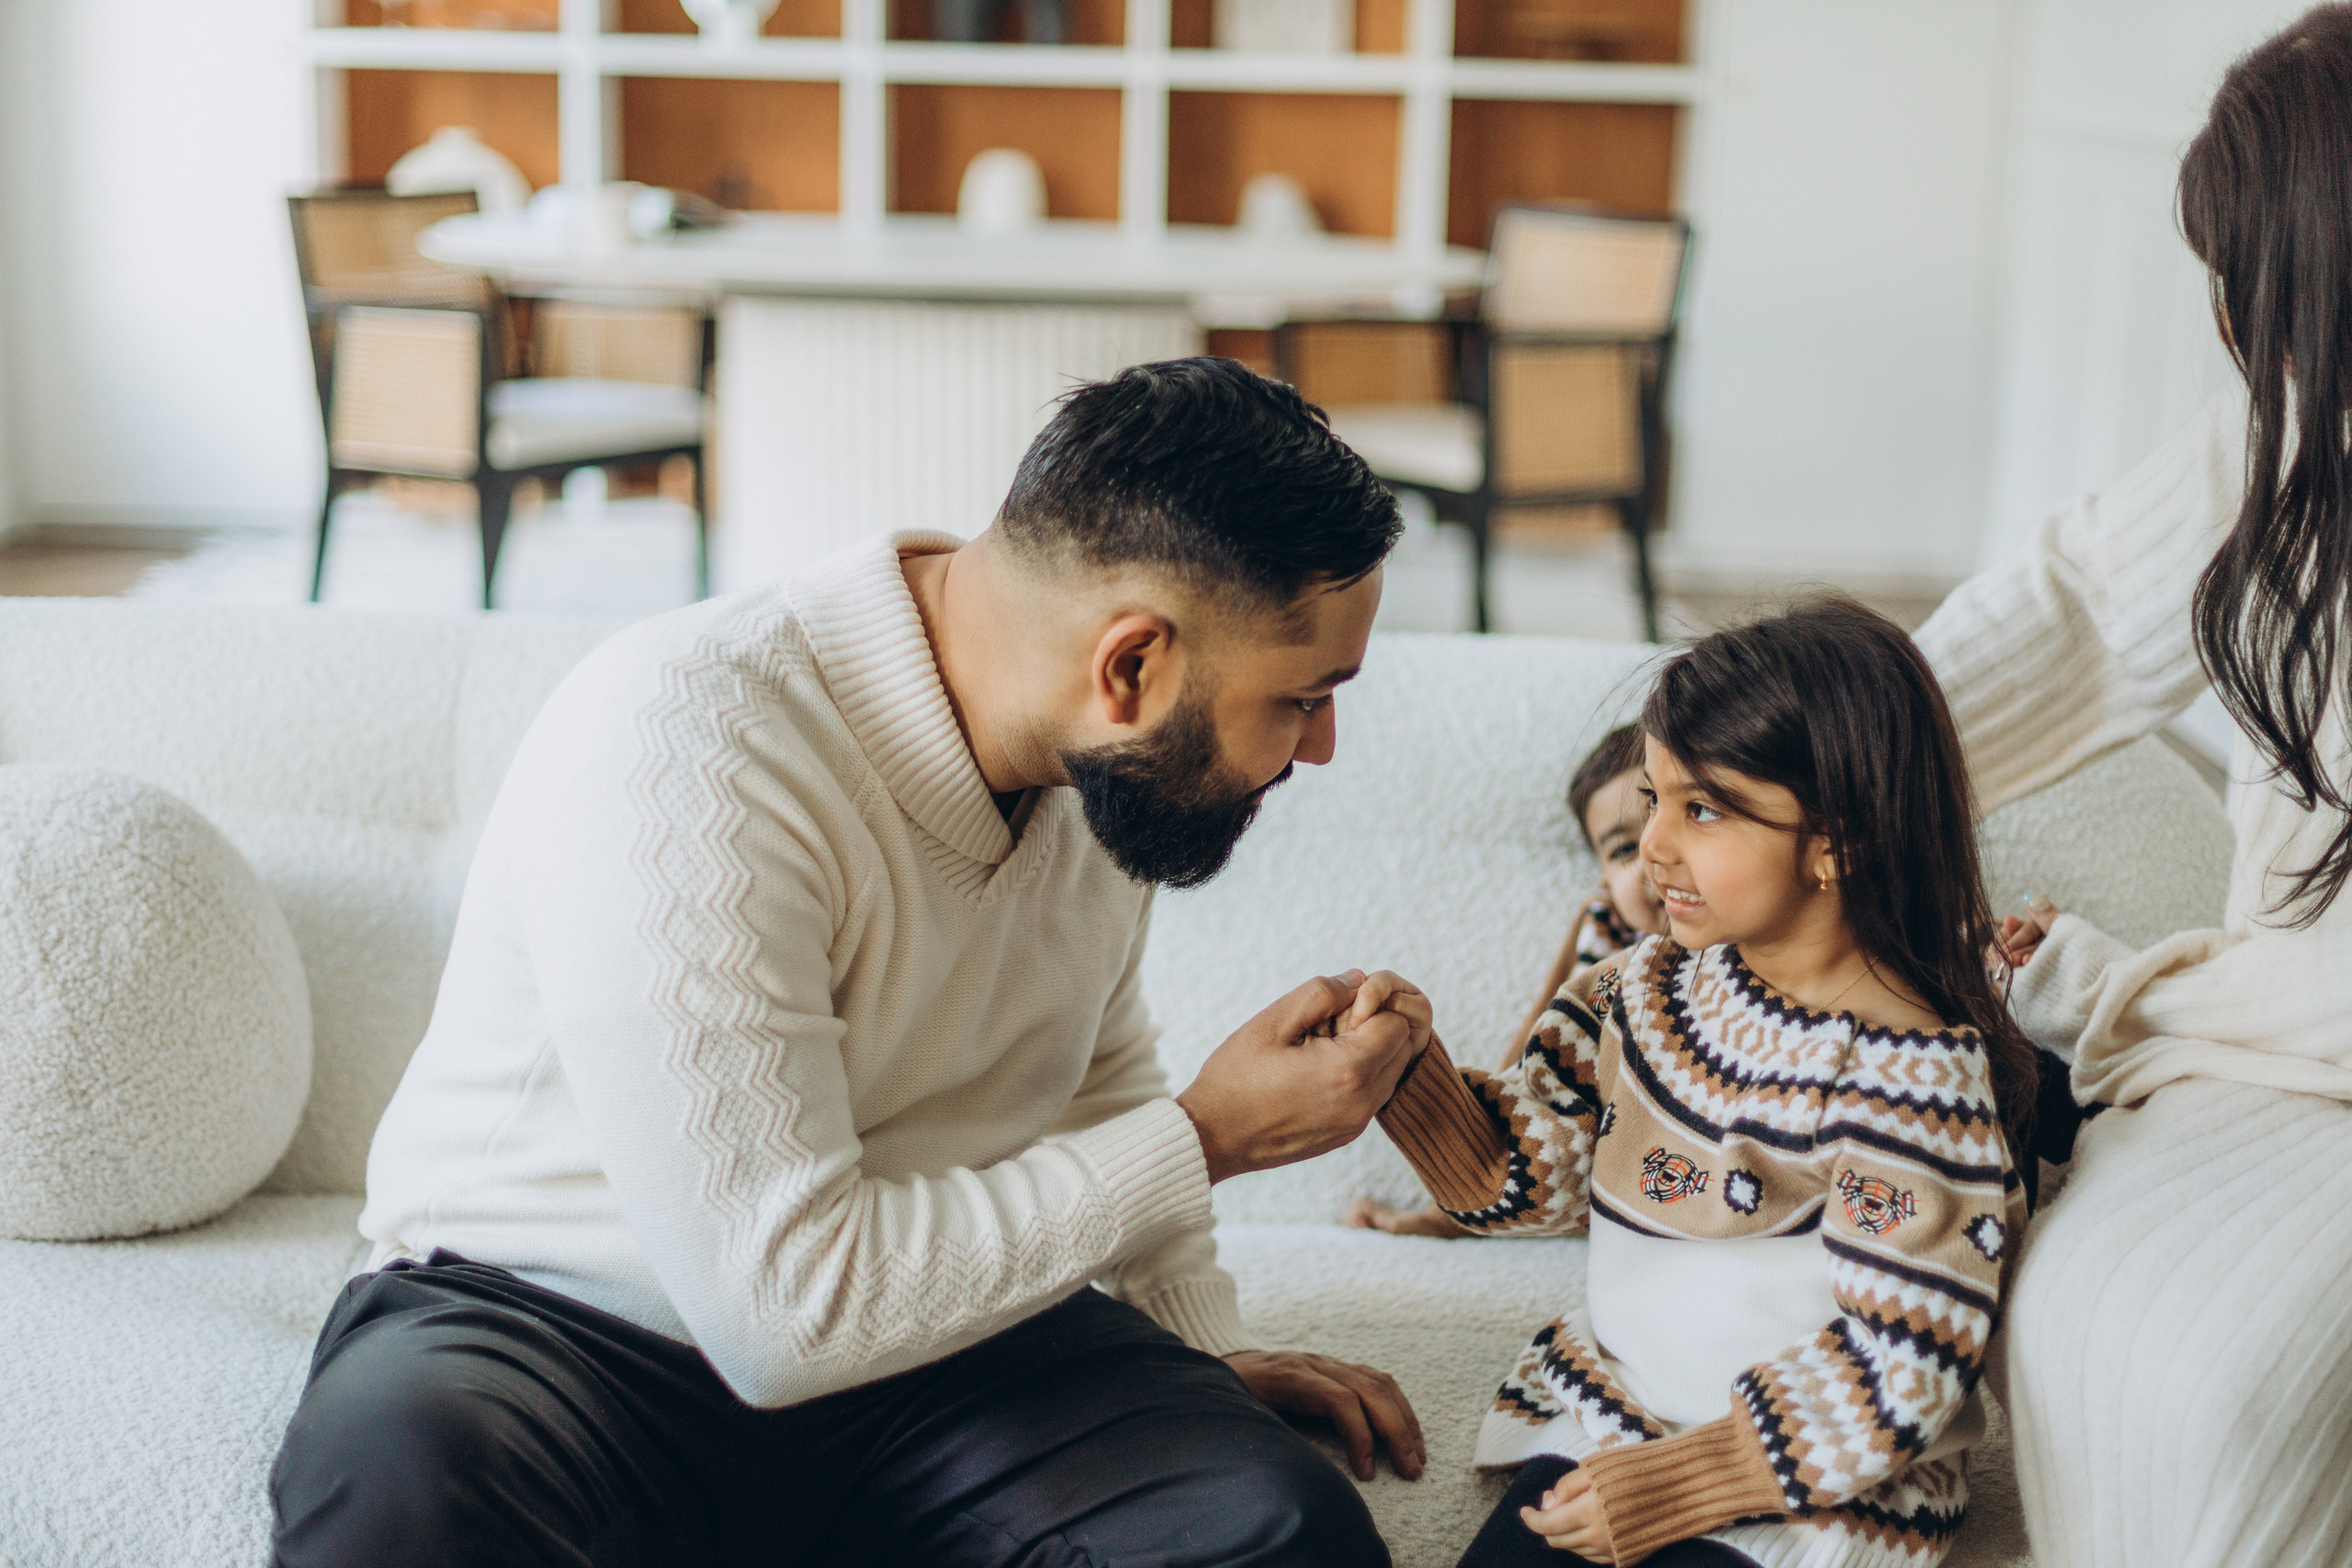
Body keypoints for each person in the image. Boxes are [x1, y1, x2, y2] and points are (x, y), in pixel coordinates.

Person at [268, 358, 1436, 1568]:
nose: (1322, 745)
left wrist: (1199, 1344)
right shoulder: (689, 740)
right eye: (1304, 697)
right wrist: (1209, 1136)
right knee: (405, 1491)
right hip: (551, 1323)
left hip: (937, 1342)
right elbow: (786, 1313)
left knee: (1274, 1530)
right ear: (1130, 667)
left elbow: (1096, 1072)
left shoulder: (1104, 764)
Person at [1909, 8, 2352, 1563]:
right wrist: (1798, 758)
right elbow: (2082, 605)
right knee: (2086, 1306)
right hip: (2269, 1052)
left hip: (2284, 1035)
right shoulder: (2286, 439)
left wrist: (2116, 990)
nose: (2230, 322)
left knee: (2233, 1380)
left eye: (2249, 276)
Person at [1377, 599, 2035, 1568]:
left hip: (1804, 1488)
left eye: (1703, 809)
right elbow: (1536, 1175)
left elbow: (1903, 1361)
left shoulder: (1909, 1080)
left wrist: (1674, 1486)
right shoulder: (1639, 989)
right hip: (1618, 1414)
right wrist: (1405, 1075)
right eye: (1653, 798)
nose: (1653, 847)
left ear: (1838, 840)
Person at [1347, 724, 1666, 1239]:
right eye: (1625, 849)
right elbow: (1535, 1062)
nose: (1656, 855)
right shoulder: (1608, 946)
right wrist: (1449, 1214)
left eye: (1679, 815)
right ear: (1605, 880)